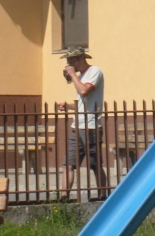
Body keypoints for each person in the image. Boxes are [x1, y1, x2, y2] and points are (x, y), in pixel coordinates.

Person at [58, 46, 106, 200]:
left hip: (90, 127)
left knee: (94, 163)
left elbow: (84, 91)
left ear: (81, 59)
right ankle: (63, 196)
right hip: (77, 126)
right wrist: (68, 106)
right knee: (68, 163)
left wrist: (72, 75)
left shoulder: (94, 72)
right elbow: (82, 103)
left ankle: (102, 194)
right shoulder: (80, 76)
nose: (69, 64)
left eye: (71, 60)